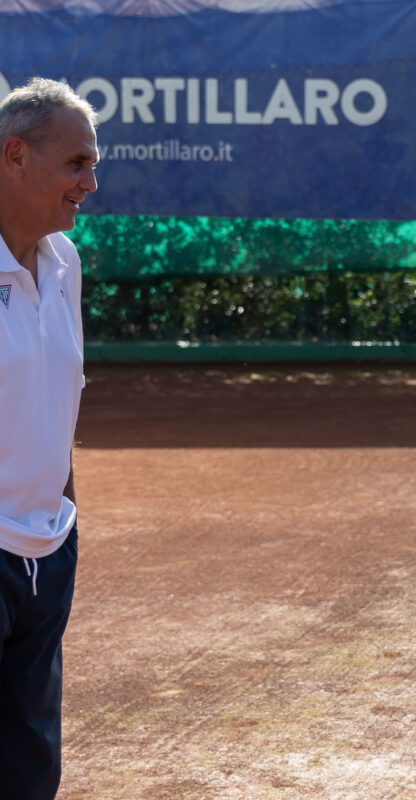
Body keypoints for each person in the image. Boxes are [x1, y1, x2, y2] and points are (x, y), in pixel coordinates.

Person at [0, 77, 98, 799]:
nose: (90, 183)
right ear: (15, 156)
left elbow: (60, 396)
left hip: (47, 549)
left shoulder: (65, 261)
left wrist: (64, 519)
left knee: (31, 763)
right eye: (76, 164)